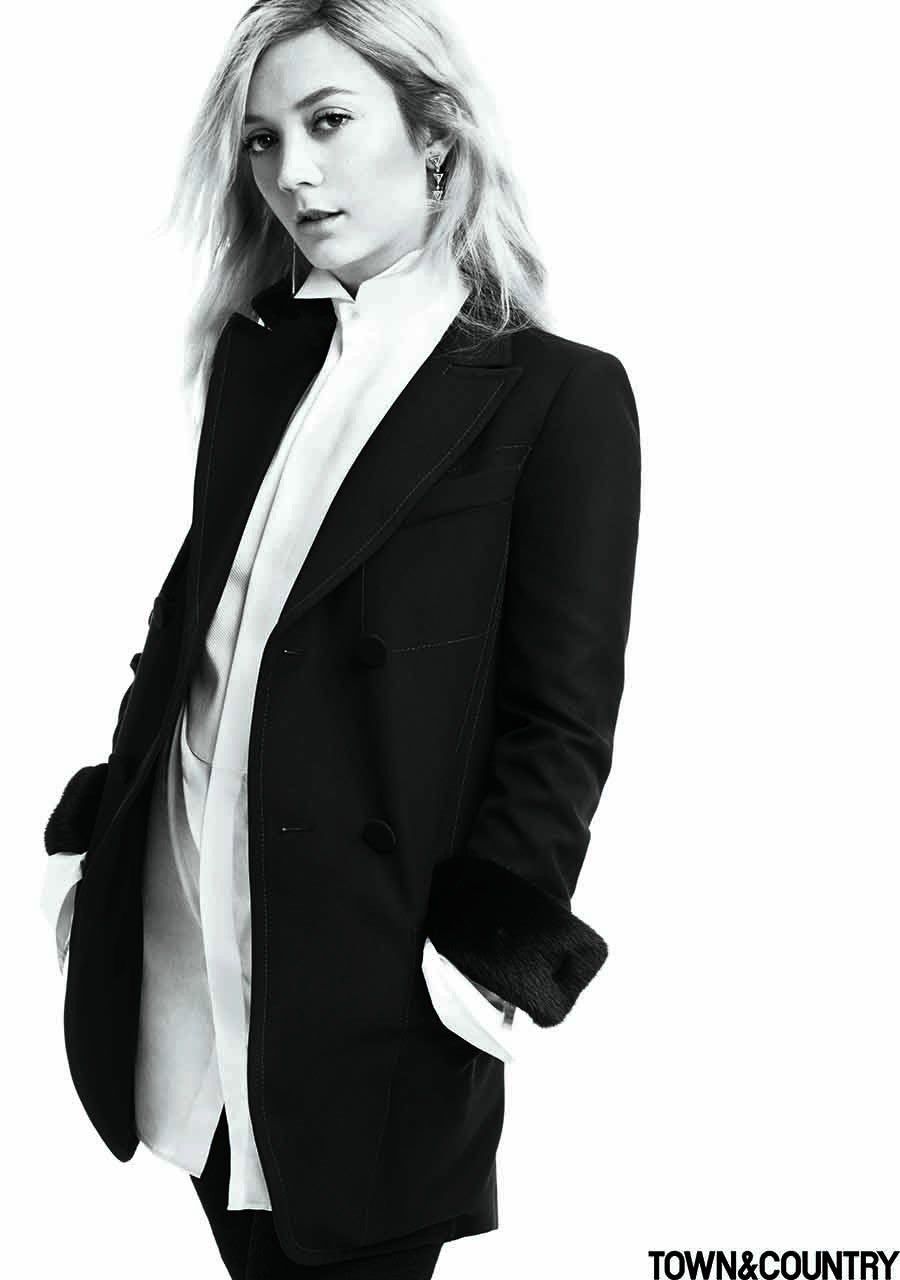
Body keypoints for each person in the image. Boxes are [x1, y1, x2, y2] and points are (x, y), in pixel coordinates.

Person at [41, 1, 642, 1276]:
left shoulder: (556, 392)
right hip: (182, 936)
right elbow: (192, 617)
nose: (292, 173)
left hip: (367, 980)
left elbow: (562, 718)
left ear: (435, 137)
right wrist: (95, 831)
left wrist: (480, 954)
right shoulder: (259, 354)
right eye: (264, 141)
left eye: (327, 122)